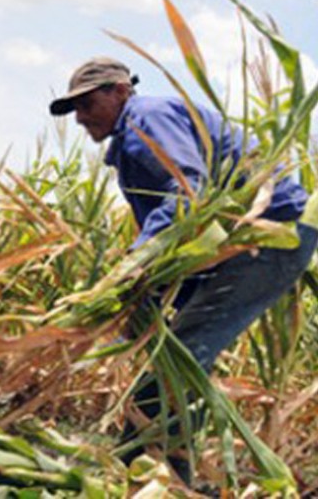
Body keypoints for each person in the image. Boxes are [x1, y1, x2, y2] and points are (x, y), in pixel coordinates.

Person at [49, 57, 317, 484]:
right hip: (230, 243)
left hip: (269, 236)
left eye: (86, 104)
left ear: (120, 91)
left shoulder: (146, 119)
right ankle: (148, 465)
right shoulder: (132, 138)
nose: (80, 118)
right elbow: (187, 221)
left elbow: (187, 192)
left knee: (182, 352)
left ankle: (157, 472)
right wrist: (141, 293)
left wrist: (132, 267)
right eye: (74, 109)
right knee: (170, 346)